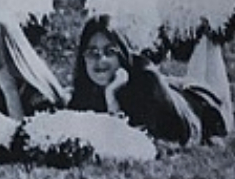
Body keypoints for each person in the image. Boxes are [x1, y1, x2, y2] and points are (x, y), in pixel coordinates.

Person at [68, 15, 227, 145]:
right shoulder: (86, 87)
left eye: (109, 52)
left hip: (200, 112)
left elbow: (136, 144)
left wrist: (112, 97)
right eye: (92, 52)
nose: (100, 60)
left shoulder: (146, 81)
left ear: (122, 55)